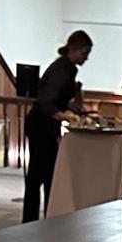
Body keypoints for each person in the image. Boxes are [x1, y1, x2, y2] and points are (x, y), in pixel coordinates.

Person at [22, 29, 91, 224]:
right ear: (74, 49)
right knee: (40, 175)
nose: (86, 58)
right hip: (41, 126)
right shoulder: (62, 70)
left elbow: (58, 99)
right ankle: (37, 220)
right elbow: (46, 103)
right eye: (84, 53)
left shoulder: (65, 68)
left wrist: (71, 107)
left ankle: (41, 218)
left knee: (44, 174)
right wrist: (65, 116)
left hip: (44, 126)